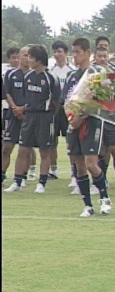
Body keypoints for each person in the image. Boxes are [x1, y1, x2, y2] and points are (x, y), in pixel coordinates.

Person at [64, 37, 112, 217]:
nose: (74, 56)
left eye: (77, 52)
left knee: (91, 163)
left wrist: (82, 114)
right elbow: (66, 101)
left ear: (87, 53)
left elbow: (102, 100)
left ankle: (105, 198)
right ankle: (87, 205)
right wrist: (71, 118)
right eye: (73, 52)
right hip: (74, 123)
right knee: (78, 164)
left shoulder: (96, 74)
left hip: (91, 121)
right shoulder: (71, 76)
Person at [4, 45, 61, 194]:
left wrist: (49, 116)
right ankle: (17, 181)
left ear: (38, 59)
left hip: (45, 118)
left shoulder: (50, 78)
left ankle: (41, 183)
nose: (28, 60)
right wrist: (25, 109)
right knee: (23, 149)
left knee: (44, 151)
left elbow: (56, 102)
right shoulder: (28, 76)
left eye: (30, 57)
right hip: (29, 117)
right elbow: (27, 98)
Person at [91, 46, 115, 193]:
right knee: (100, 150)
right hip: (96, 116)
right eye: (100, 56)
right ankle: (101, 179)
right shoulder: (91, 72)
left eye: (105, 56)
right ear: (95, 56)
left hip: (111, 116)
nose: (102, 59)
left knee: (114, 149)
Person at [2, 46, 32, 187]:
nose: (27, 58)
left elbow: (35, 97)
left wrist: (23, 108)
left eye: (30, 55)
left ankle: (21, 177)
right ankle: (2, 175)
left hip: (28, 116)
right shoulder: (10, 74)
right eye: (25, 55)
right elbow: (6, 93)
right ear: (19, 57)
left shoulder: (34, 76)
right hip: (12, 115)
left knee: (25, 148)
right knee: (6, 147)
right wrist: (15, 108)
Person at [49, 40, 76, 182]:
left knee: (70, 141)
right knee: (52, 141)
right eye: (55, 52)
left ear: (66, 54)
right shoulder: (51, 71)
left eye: (60, 51)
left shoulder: (71, 72)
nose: (57, 54)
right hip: (54, 111)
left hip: (68, 110)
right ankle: (53, 170)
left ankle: (73, 171)